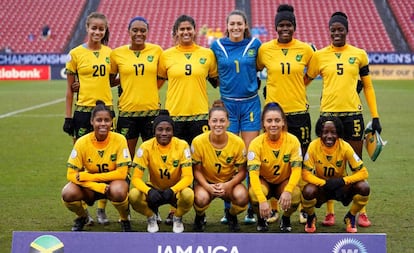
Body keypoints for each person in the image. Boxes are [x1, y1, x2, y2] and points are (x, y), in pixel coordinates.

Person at [305, 11, 382, 227]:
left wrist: (375, 116)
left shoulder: (359, 54)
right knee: (327, 164)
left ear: (347, 31)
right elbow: (305, 80)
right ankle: (329, 212)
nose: (337, 33)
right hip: (328, 115)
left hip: (353, 116)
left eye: (340, 29)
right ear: (328, 31)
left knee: (356, 162)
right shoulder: (319, 56)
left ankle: (360, 211)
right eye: (333, 30)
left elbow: (367, 86)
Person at [257, 4, 316, 225]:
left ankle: (300, 205)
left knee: (299, 159)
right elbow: (255, 68)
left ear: (295, 26)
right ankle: (272, 207)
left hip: (299, 112)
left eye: (288, 25)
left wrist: (299, 87)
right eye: (281, 25)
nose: (285, 29)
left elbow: (311, 73)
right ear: (275, 27)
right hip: (273, 114)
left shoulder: (305, 50)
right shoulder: (265, 50)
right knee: (272, 158)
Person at [157, 14, 218, 224]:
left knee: (199, 166)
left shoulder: (207, 55)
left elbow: (218, 81)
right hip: (174, 118)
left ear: (195, 30)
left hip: (200, 118)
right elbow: (155, 82)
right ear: (175, 33)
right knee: (177, 167)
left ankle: (201, 211)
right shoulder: (166, 56)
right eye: (181, 29)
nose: (185, 32)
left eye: (189, 29)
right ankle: (176, 210)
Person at [210, 9, 262, 226]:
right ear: (227, 25)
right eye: (232, 24)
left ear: (245, 25)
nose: (236, 28)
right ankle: (228, 207)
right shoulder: (216, 46)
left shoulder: (255, 45)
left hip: (250, 103)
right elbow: (210, 72)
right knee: (229, 157)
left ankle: (251, 206)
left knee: (249, 156)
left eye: (239, 24)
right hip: (228, 105)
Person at [63, 12, 113, 226]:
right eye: (94, 28)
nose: (97, 32)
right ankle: (83, 212)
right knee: (83, 162)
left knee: (107, 160)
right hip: (83, 112)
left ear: (105, 30)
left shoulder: (111, 53)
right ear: (87, 28)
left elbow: (113, 80)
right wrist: (68, 117)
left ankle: (102, 208)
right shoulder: (75, 54)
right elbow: (69, 90)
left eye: (101, 29)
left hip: (106, 111)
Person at [61, 101, 132, 232]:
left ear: (112, 122)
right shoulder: (82, 142)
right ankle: (82, 217)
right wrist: (96, 185)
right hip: (92, 185)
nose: (103, 124)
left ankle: (124, 220)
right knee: (68, 193)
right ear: (92, 122)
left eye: (107, 120)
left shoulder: (120, 139)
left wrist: (89, 177)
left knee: (118, 191)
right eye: (99, 120)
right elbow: (70, 174)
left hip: (114, 182)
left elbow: (122, 174)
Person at [128, 110, 194, 233]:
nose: (164, 133)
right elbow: (136, 178)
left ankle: (177, 217)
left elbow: (188, 177)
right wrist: (149, 191)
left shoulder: (182, 145)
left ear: (173, 131)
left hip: (175, 190)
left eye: (168, 129)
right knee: (134, 195)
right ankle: (151, 216)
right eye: (160, 129)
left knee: (188, 195)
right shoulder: (146, 147)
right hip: (154, 189)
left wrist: (173, 190)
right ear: (154, 131)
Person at [301, 116, 370, 233]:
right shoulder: (313, 146)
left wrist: (342, 181)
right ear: (319, 133)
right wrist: (323, 183)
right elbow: (305, 174)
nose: (329, 136)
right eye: (325, 132)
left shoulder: (345, 147)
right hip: (322, 188)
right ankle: (311, 217)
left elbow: (363, 172)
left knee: (364, 187)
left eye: (333, 132)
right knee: (307, 191)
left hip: (341, 187)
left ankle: (351, 216)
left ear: (338, 133)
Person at [110, 16, 163, 158]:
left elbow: (162, 76)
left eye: (142, 30)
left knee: (154, 157)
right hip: (127, 113)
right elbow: (109, 81)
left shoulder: (157, 51)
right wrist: (127, 80)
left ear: (147, 32)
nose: (139, 34)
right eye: (135, 30)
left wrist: (151, 88)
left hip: (151, 112)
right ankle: (124, 181)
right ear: (128, 31)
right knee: (126, 157)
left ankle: (153, 181)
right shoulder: (117, 53)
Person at [192, 100, 248, 232]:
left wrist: (228, 185)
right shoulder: (198, 141)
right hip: (207, 183)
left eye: (222, 121)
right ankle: (199, 217)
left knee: (242, 196)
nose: (218, 124)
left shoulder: (238, 142)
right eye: (215, 121)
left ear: (228, 123)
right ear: (209, 122)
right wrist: (207, 186)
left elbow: (242, 172)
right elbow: (197, 171)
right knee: (200, 198)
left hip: (228, 183)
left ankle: (231, 215)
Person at [247, 102, 302, 232]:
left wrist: (288, 190)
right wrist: (262, 200)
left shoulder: (293, 141)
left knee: (295, 194)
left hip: (283, 182)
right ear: (263, 124)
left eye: (277, 120)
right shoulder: (256, 143)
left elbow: (296, 170)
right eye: (269, 121)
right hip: (264, 181)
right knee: (254, 194)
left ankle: (286, 218)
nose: (273, 124)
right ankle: (261, 219)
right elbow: (253, 175)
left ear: (283, 122)